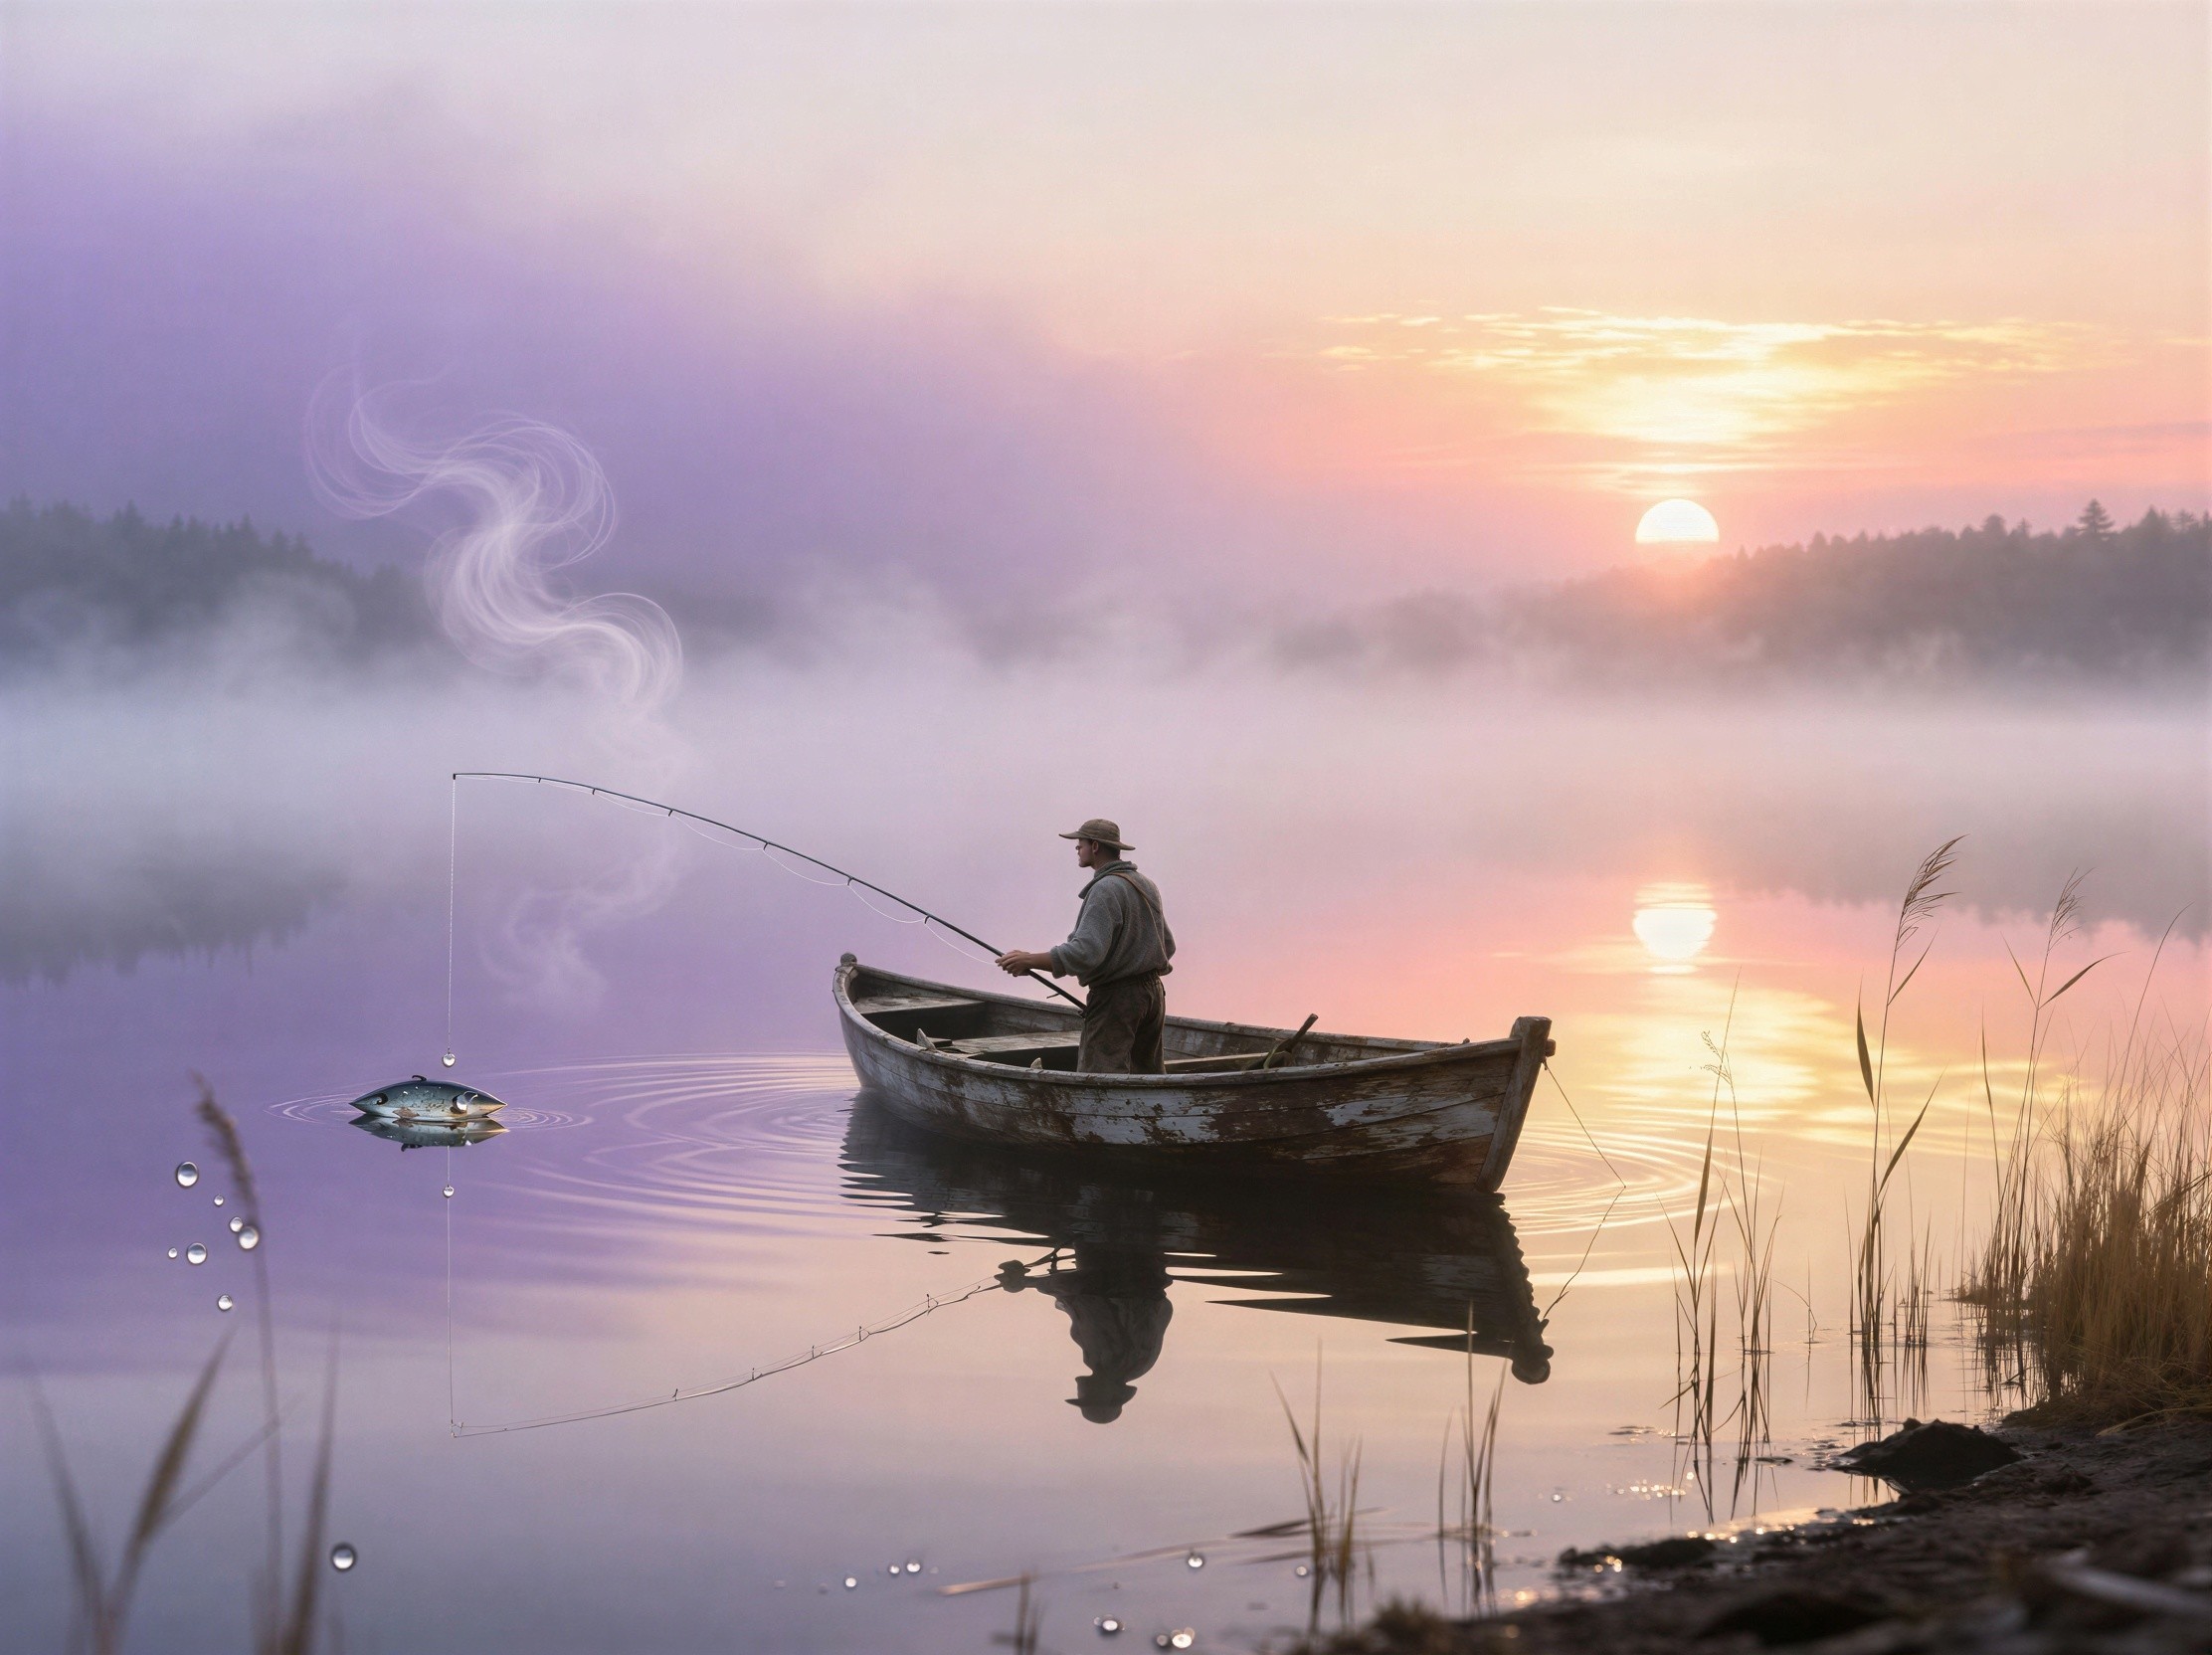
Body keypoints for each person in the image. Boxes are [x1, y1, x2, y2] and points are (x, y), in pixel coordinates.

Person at [995, 819, 1175, 1074]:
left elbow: (1085, 953)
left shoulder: (1105, 889)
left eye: (1080, 844)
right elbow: (1167, 945)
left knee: (1100, 1077)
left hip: (1117, 999)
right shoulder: (1146, 885)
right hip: (1154, 995)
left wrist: (1030, 960)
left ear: (1095, 846)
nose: (1077, 849)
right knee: (1148, 1076)